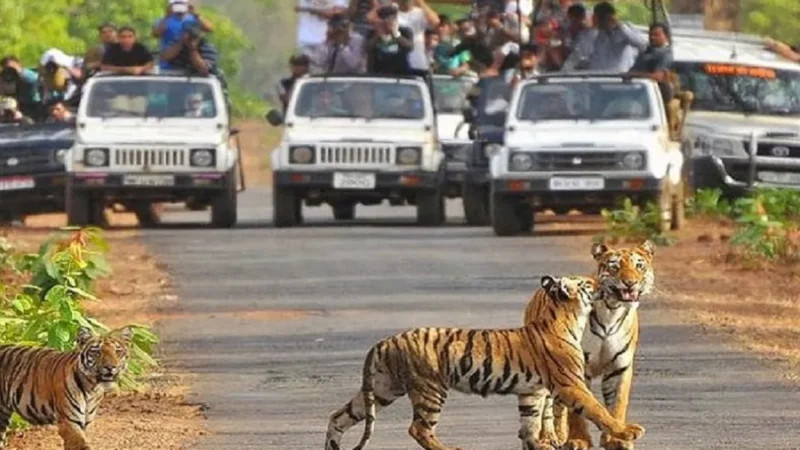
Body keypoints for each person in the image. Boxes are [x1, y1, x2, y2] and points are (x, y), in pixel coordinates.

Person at [368, 0, 439, 77]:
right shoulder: (392, 12)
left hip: (417, 62)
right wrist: (387, 3)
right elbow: (370, 18)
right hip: (395, 63)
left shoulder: (420, 13)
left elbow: (435, 21)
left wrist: (420, 2)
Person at [584, 1, 647, 72]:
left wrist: (620, 27)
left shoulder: (624, 31)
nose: (593, 20)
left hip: (618, 78)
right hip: (597, 77)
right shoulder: (596, 34)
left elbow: (642, 44)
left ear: (607, 18)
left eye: (595, 18)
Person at [153, 0, 214, 70]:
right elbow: (156, 34)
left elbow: (210, 29)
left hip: (191, 64)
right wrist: (167, 16)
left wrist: (196, 14)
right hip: (167, 65)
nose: (179, 7)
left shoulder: (194, 19)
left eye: (182, 4)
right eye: (176, 4)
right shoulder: (163, 20)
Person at [365, 5, 414, 75]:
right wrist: (378, 35)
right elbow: (367, 49)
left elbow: (409, 48)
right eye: (383, 19)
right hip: (377, 73)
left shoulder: (405, 31)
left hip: (400, 73)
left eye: (391, 19)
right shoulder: (372, 33)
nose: (386, 22)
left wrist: (396, 34)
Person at [0, 56, 41, 120]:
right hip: (17, 109)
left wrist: (19, 72)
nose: (10, 71)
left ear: (19, 65)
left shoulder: (29, 76)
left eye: (12, 68)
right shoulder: (8, 79)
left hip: (35, 107)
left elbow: (36, 79)